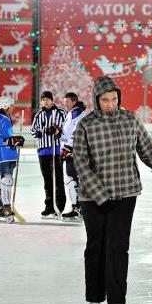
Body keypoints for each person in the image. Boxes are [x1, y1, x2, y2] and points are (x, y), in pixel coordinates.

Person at [73, 77, 152, 304]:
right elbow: (80, 164)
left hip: (125, 192)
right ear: (96, 100)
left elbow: (147, 149)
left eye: (114, 99)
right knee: (95, 247)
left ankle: (117, 301)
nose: (110, 104)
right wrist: (100, 195)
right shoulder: (86, 125)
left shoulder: (130, 120)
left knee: (118, 247)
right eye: (105, 100)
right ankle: (94, 298)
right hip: (93, 198)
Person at [0, 96, 25, 223]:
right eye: (12, 106)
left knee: (6, 181)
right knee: (7, 179)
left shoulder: (7, 119)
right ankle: (6, 208)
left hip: (9, 154)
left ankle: (0, 207)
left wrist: (16, 140)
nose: (13, 108)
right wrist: (10, 140)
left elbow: (8, 138)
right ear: (5, 106)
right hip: (1, 154)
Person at [30, 91, 67, 218]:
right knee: (47, 181)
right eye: (43, 100)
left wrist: (57, 130)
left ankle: (59, 207)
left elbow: (65, 128)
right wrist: (38, 133)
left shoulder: (61, 112)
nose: (45, 102)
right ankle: (49, 207)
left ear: (52, 100)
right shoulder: (38, 114)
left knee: (58, 180)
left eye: (47, 99)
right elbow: (33, 130)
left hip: (56, 150)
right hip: (43, 151)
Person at [60, 92, 87, 220]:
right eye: (64, 101)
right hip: (72, 150)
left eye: (67, 102)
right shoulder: (72, 113)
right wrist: (59, 132)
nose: (65, 103)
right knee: (72, 179)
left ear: (74, 101)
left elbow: (77, 131)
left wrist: (68, 147)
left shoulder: (77, 113)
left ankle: (78, 209)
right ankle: (77, 208)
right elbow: (68, 132)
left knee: (72, 179)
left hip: (75, 151)